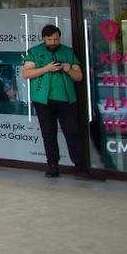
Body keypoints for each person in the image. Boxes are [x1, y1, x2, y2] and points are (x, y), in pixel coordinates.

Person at [22, 24, 85, 177]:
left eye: (56, 39)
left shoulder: (68, 52)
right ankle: (52, 166)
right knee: (48, 133)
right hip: (43, 100)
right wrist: (46, 68)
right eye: (49, 39)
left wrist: (68, 69)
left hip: (66, 99)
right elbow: (26, 73)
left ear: (59, 38)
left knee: (72, 132)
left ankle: (80, 166)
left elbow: (79, 76)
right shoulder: (34, 52)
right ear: (44, 38)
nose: (53, 42)